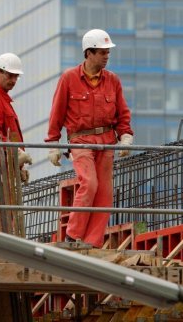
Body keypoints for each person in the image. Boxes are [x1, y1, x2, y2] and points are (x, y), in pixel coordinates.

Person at [46, 29, 133, 248]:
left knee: (104, 194)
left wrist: (125, 135)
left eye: (107, 52)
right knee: (89, 184)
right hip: (80, 141)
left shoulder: (112, 81)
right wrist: (53, 143)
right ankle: (73, 236)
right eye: (102, 52)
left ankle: (92, 243)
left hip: (106, 142)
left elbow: (122, 113)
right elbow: (57, 112)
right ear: (89, 53)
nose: (106, 56)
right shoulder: (69, 79)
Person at [0, 53, 33, 182]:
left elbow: (11, 135)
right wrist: (16, 152)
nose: (13, 80)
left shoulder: (3, 100)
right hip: (0, 171)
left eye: (16, 77)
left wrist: (18, 167)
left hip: (7, 168)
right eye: (10, 75)